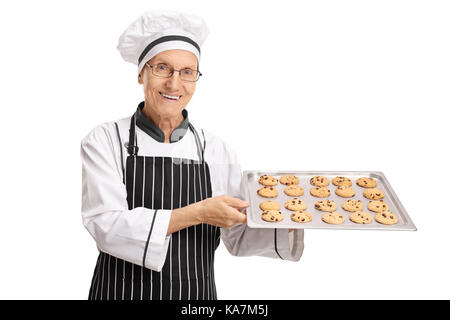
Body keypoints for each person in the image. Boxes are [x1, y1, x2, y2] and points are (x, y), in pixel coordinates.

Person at [80, 10, 304, 300]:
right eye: (162, 68)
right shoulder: (105, 139)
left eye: (187, 72)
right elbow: (105, 225)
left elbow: (237, 236)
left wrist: (290, 213)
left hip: (195, 296)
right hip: (119, 292)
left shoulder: (215, 148)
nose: (174, 84)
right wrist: (198, 212)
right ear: (141, 73)